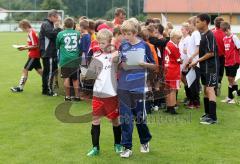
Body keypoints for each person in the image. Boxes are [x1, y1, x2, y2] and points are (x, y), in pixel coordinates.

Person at [118, 20, 156, 158]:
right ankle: (127, 147)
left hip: (139, 87)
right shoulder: (122, 46)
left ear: (135, 32)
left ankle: (145, 140)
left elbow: (154, 66)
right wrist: (119, 62)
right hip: (124, 87)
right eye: (124, 34)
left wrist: (143, 63)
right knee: (125, 118)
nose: (126, 36)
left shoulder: (144, 46)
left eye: (128, 33)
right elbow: (119, 66)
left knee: (140, 118)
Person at [84, 29, 122, 157]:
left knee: (115, 121)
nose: (100, 45)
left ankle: (118, 144)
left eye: (103, 43)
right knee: (95, 120)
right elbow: (91, 75)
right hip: (98, 93)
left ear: (110, 42)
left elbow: (117, 60)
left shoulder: (115, 54)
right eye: (99, 43)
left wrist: (113, 49)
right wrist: (88, 73)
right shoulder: (96, 56)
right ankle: (95, 147)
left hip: (111, 94)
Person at [189, 13, 219, 125]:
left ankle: (213, 118)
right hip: (204, 68)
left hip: (211, 67)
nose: (196, 24)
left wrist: (197, 60)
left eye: (198, 22)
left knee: (210, 90)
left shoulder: (209, 35)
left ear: (205, 22)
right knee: (206, 90)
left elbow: (211, 53)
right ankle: (208, 114)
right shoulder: (202, 35)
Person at [11, 19, 42, 92]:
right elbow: (33, 44)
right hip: (35, 55)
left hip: (33, 55)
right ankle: (51, 84)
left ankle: (20, 88)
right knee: (40, 71)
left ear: (24, 26)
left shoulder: (31, 33)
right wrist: (25, 46)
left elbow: (36, 45)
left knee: (25, 70)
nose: (21, 29)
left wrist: (24, 48)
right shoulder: (32, 32)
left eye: (21, 27)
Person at [56, 17, 81, 101]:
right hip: (75, 59)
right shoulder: (77, 33)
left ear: (64, 25)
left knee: (66, 78)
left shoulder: (60, 34)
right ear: (73, 25)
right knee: (75, 79)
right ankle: (77, 96)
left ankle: (67, 96)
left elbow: (57, 46)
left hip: (64, 59)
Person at [39, 9, 62, 96]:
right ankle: (48, 90)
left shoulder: (50, 24)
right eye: (55, 17)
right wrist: (58, 27)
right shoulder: (46, 24)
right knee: (49, 72)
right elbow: (52, 35)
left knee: (50, 71)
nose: (57, 19)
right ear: (51, 16)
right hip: (48, 52)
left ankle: (47, 89)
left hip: (50, 52)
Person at [220, 21, 240, 103]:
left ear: (229, 29)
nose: (225, 33)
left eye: (226, 31)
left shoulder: (234, 37)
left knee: (232, 78)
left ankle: (234, 98)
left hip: (234, 61)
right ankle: (230, 97)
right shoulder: (224, 38)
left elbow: (239, 48)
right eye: (223, 31)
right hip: (227, 61)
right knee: (229, 79)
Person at [164, 29, 182, 114]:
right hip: (173, 70)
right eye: (178, 38)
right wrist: (181, 60)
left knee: (168, 90)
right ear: (173, 37)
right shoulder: (174, 46)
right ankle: (172, 108)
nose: (179, 40)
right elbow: (179, 60)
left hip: (167, 70)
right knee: (173, 90)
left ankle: (168, 106)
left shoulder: (168, 44)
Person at [187, 16, 201, 109]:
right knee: (192, 82)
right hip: (193, 61)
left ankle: (195, 102)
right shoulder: (194, 34)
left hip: (195, 62)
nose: (189, 26)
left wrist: (192, 57)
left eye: (190, 24)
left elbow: (198, 48)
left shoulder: (196, 34)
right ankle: (194, 101)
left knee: (194, 83)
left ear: (194, 24)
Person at [212, 17, 225, 96]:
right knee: (220, 73)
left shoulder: (211, 32)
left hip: (213, 56)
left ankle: (214, 87)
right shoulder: (225, 33)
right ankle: (218, 85)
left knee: (213, 72)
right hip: (222, 56)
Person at [179, 22, 191, 105]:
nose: (181, 30)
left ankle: (190, 97)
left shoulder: (188, 39)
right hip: (181, 62)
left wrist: (186, 63)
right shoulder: (182, 38)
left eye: (182, 29)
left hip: (186, 62)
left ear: (187, 30)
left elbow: (189, 51)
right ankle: (188, 96)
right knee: (183, 79)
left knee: (187, 80)